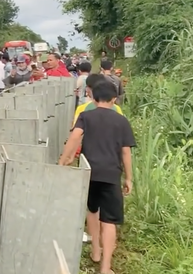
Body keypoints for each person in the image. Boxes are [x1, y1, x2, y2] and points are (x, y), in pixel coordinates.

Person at [59, 80, 136, 274]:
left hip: (89, 172)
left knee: (92, 210)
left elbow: (75, 137)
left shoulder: (86, 116)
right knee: (109, 221)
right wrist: (128, 178)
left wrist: (64, 160)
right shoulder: (121, 120)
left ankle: (95, 251)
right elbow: (125, 152)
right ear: (114, 99)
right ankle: (105, 267)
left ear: (93, 97)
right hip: (111, 174)